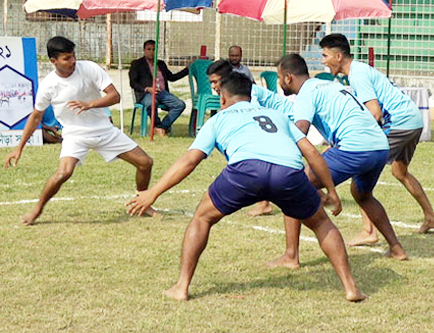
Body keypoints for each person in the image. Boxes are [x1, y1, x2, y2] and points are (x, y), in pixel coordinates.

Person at [126, 72, 366, 302]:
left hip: (246, 172)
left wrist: (153, 193)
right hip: (288, 173)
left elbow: (190, 160)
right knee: (322, 223)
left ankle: (181, 288)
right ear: (252, 95)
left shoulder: (218, 118)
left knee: (201, 218)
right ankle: (350, 286)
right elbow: (312, 153)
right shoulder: (277, 116)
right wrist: (331, 191)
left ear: (222, 97)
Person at [271, 54, 408, 268]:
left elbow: (301, 131)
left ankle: (291, 256)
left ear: (288, 77)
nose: (279, 82)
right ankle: (396, 248)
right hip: (379, 146)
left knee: (293, 188)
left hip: (354, 146)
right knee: (362, 195)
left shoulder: (306, 92)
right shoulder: (328, 85)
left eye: (279, 77)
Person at [3, 36, 157, 225]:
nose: (73, 61)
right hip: (75, 135)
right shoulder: (48, 85)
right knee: (63, 173)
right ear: (54, 61)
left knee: (145, 163)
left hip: (104, 130)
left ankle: (143, 202)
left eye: (73, 55)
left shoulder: (89, 68)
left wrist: (90, 104)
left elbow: (115, 96)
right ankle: (37, 209)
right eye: (67, 58)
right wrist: (19, 148)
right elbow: (35, 116)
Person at [320, 33, 434, 244]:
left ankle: (369, 231)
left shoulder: (357, 75)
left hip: (399, 123)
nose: (323, 61)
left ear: (338, 56)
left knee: (360, 176)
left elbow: (375, 113)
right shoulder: (359, 70)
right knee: (400, 171)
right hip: (413, 120)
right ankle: (432, 218)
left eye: (325, 55)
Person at [206, 59, 292, 217]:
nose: (213, 87)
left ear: (225, 79)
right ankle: (315, 194)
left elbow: (253, 118)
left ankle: (264, 204)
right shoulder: (234, 93)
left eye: (215, 82)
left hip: (291, 120)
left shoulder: (247, 93)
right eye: (211, 82)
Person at [129, 40, 189, 137]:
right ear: (144, 50)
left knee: (179, 105)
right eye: (149, 49)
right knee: (152, 103)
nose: (151, 52)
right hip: (146, 93)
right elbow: (133, 83)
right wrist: (147, 89)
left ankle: (161, 126)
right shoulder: (137, 64)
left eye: (154, 49)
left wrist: (187, 69)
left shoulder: (160, 64)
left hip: (162, 93)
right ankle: (157, 124)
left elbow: (172, 77)